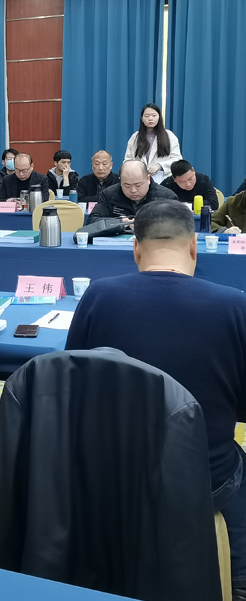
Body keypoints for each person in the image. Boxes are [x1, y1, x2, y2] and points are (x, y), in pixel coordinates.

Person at [66, 200, 246, 599]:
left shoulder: (98, 296)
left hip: (113, 473)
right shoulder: (235, 305)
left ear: (136, 248)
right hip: (205, 477)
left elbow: (73, 384)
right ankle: (234, 577)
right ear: (194, 247)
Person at [88, 160, 176, 223]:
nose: (133, 190)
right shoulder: (109, 194)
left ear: (148, 179)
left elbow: (178, 225)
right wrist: (119, 223)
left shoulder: (166, 196)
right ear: (120, 181)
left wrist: (147, 225)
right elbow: (92, 221)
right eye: (127, 185)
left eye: (138, 185)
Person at [123, 103, 182, 183]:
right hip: (139, 181)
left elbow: (177, 159)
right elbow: (128, 160)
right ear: (142, 118)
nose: (150, 118)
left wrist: (159, 166)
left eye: (154, 115)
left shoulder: (169, 136)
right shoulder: (135, 137)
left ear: (159, 117)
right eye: (147, 116)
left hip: (163, 181)